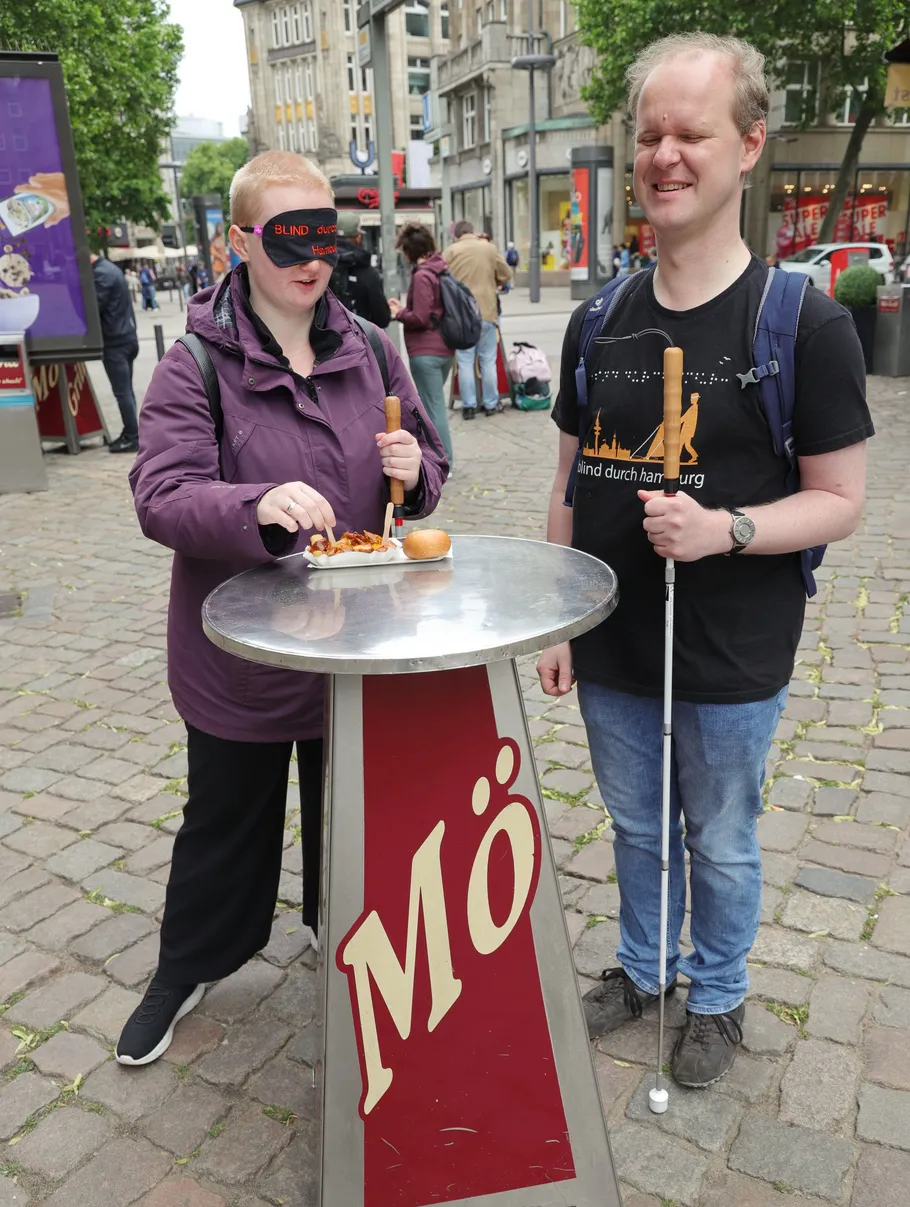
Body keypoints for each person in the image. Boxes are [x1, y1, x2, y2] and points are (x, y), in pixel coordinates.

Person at [538, 32, 872, 1089]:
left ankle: (717, 992)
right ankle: (642, 965)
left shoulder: (802, 324)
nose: (666, 155)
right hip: (613, 637)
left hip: (731, 645)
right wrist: (557, 616)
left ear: (749, 146)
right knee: (636, 824)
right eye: (650, 134)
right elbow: (564, 480)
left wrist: (723, 527)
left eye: (693, 132)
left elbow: (840, 501)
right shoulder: (595, 321)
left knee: (719, 838)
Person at [118, 150, 447, 1066]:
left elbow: (421, 467)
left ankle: (338, 928)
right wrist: (253, 505)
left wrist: (416, 474)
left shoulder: (371, 346)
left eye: (324, 236)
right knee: (225, 820)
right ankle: (186, 967)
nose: (312, 259)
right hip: (244, 657)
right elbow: (161, 493)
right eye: (287, 237)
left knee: (352, 817)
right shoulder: (194, 365)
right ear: (238, 242)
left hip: (358, 645)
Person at [390, 223, 454, 469]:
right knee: (433, 404)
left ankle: (442, 460)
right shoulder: (439, 269)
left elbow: (421, 317)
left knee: (432, 408)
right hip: (444, 348)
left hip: (426, 352)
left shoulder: (421, 275)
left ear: (409, 250)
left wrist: (399, 313)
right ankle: (442, 456)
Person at [443, 219, 511, 418]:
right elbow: (506, 274)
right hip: (486, 312)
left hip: (461, 315)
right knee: (487, 360)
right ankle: (490, 404)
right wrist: (494, 281)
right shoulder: (488, 249)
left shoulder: (451, 252)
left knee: (464, 360)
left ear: (456, 235)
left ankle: (469, 407)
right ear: (473, 232)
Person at [90, 253, 140, 454]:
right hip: (127, 336)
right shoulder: (110, 269)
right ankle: (132, 432)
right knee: (127, 390)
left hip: (115, 341)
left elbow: (93, 308)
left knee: (122, 392)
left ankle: (132, 437)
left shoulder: (100, 274)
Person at [329, 211, 391, 327]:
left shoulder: (320, 265)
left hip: (323, 339)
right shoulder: (368, 272)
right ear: (358, 238)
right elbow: (382, 318)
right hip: (359, 339)